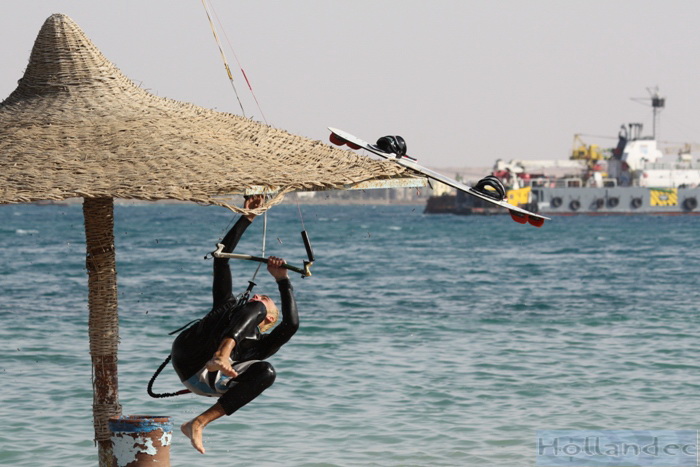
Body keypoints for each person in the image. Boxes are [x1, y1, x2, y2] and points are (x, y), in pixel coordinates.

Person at [171, 195, 299, 454]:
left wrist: (282, 281)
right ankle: (221, 355)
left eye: (266, 301)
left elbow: (292, 325)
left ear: (270, 320)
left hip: (204, 381)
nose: (257, 298)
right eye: (259, 297)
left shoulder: (260, 347)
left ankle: (199, 422)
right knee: (245, 308)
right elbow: (222, 258)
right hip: (190, 352)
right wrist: (247, 217)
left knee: (268, 372)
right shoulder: (227, 305)